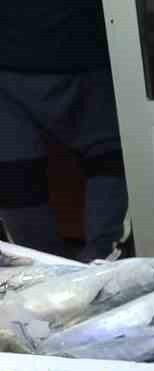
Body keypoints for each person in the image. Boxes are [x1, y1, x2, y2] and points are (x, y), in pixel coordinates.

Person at [0, 1, 130, 261]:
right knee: (113, 159)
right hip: (84, 54)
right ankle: (88, 269)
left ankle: (55, 272)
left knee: (16, 182)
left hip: (75, 56)